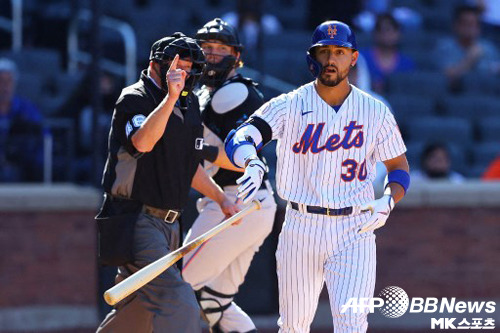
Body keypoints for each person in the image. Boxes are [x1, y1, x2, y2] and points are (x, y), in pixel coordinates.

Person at [225, 21, 410, 332]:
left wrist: (389, 200)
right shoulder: (290, 104)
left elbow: (399, 167)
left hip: (355, 228)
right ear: (313, 58)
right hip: (301, 225)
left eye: (339, 51)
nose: (331, 59)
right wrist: (252, 162)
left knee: (352, 324)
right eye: (324, 51)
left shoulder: (374, 111)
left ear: (353, 58)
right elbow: (241, 137)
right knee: (294, 326)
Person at [96, 32, 240, 332]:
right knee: (179, 302)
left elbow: (190, 166)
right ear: (155, 66)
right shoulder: (135, 97)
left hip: (172, 224)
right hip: (136, 219)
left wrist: (221, 199)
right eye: (177, 67)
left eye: (189, 69)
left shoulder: (189, 108)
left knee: (140, 310)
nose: (183, 75)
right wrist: (170, 98)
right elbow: (143, 142)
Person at [181, 18, 277, 333]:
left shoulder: (236, 93)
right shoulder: (204, 94)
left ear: (236, 55)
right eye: (206, 47)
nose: (211, 54)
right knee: (214, 304)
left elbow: (247, 161)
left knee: (178, 286)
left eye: (221, 48)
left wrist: (199, 152)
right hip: (238, 205)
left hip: (238, 203)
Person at [434, 4, 500, 92]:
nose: (470, 28)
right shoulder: (444, 47)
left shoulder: (489, 48)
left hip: (485, 93)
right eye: (466, 24)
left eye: (473, 24)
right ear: (456, 25)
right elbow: (446, 77)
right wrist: (470, 59)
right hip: (456, 95)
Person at [0, 58, 45, 182]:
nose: (4, 87)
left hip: (22, 166)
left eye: (8, 81)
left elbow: (43, 134)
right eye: (1, 81)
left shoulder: (26, 108)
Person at [361, 13, 415, 94]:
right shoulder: (361, 59)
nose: (388, 34)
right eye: (384, 30)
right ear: (376, 33)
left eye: (393, 30)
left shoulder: (407, 63)